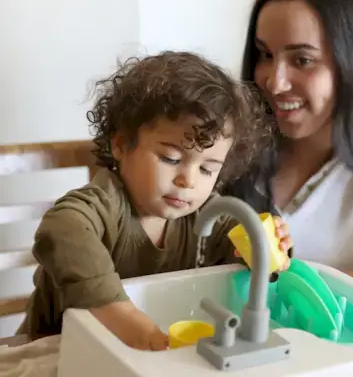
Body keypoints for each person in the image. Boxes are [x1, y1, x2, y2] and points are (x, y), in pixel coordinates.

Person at [17, 51, 293, 350]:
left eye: (206, 169)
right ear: (122, 145)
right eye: (171, 158)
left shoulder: (206, 217)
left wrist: (267, 251)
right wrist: (122, 315)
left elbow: (242, 246)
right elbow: (61, 229)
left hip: (148, 355)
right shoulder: (106, 204)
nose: (188, 180)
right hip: (56, 352)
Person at [222, 0, 353, 301]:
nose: (274, 83)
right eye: (265, 55)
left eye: (302, 60)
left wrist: (297, 278)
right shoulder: (227, 142)